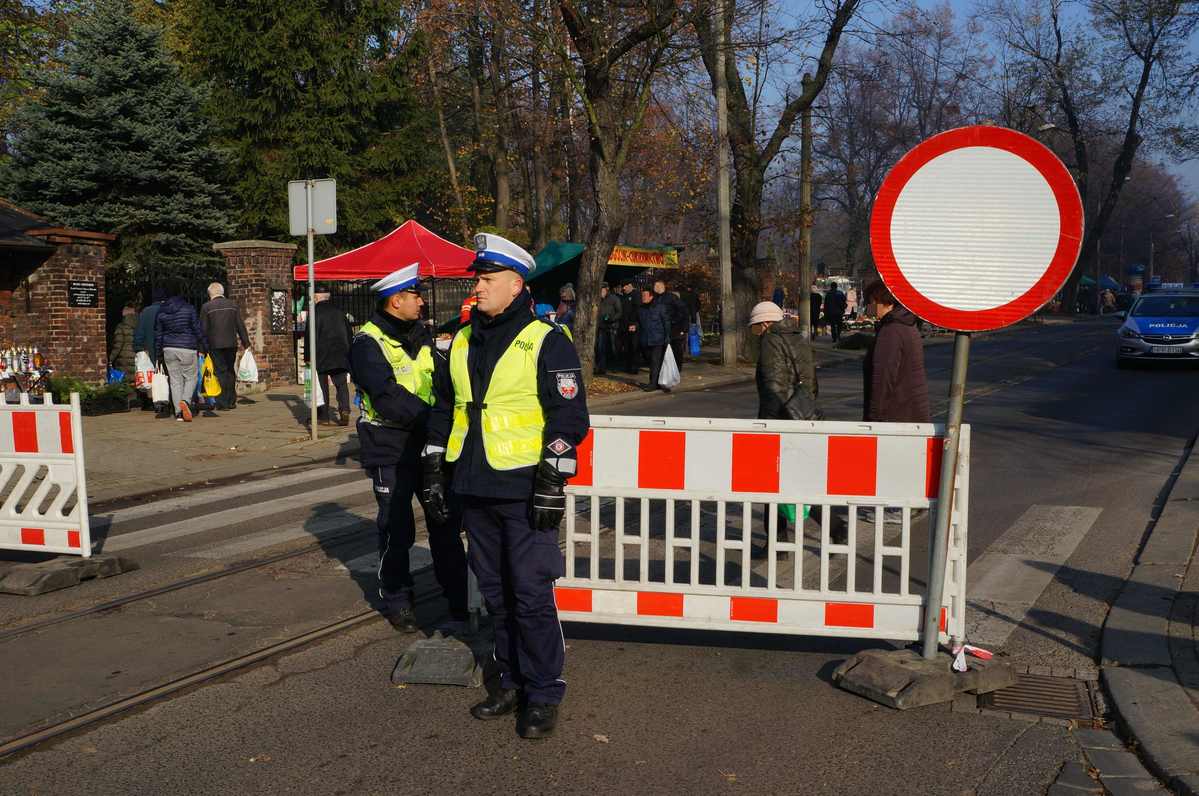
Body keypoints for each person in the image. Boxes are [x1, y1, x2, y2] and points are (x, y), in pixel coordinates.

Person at [423, 233, 589, 740]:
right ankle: (510, 681)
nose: (478, 285)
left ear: (516, 285)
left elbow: (569, 417)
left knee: (531, 595)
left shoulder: (546, 339)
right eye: (478, 277)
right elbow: (444, 408)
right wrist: (434, 465)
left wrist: (552, 480)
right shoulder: (461, 340)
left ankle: (543, 693)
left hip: (522, 489)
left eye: (488, 278)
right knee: (495, 594)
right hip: (474, 485)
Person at [349, 263, 468, 633]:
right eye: (415, 295)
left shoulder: (421, 336)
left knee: (443, 521)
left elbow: (442, 381)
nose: (421, 301)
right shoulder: (368, 343)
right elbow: (386, 397)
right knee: (397, 527)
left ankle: (459, 599)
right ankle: (398, 598)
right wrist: (433, 417)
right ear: (396, 301)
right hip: (390, 445)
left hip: (428, 443)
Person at [862, 280, 929, 423]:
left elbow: (884, 375)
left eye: (871, 303)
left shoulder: (891, 331)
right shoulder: (907, 325)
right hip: (911, 413)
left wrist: (875, 417)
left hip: (894, 417)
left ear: (882, 301)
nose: (870, 308)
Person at [749, 301, 819, 420]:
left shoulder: (771, 340)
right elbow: (813, 383)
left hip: (782, 414)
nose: (756, 333)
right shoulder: (800, 339)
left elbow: (773, 387)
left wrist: (768, 421)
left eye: (756, 328)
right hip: (803, 411)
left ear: (765, 323)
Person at [154, 288, 207, 422]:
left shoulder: (161, 311)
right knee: (191, 377)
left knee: (175, 381)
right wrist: (205, 345)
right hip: (187, 347)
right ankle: (186, 401)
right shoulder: (189, 308)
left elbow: (158, 335)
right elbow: (197, 329)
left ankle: (178, 413)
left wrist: (158, 353)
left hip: (168, 349)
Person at [199, 283, 251, 411]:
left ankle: (222, 402)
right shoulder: (232, 305)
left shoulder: (206, 307)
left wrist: (201, 348)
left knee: (220, 371)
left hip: (215, 344)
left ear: (210, 294)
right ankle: (231, 400)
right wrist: (246, 343)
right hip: (231, 343)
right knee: (230, 370)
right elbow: (240, 325)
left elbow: (203, 329)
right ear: (222, 292)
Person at [311, 290, 354, 426]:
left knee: (322, 385)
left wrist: (308, 356)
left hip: (321, 354)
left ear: (317, 297)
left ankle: (324, 416)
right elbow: (349, 333)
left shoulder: (315, 313)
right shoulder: (340, 312)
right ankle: (345, 409)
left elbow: (309, 336)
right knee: (341, 384)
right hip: (340, 354)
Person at [134, 288, 168, 416]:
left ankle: (155, 402)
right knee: (166, 374)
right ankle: (166, 401)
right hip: (165, 346)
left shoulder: (146, 312)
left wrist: (138, 347)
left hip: (149, 348)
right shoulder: (167, 309)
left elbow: (140, 332)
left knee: (152, 375)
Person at [638, 286, 670, 392]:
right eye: (642, 295)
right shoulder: (641, 308)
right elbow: (638, 322)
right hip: (645, 340)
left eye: (644, 295)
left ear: (651, 296)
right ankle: (658, 382)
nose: (642, 297)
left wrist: (667, 337)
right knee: (651, 362)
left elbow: (666, 322)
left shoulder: (659, 307)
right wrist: (634, 325)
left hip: (657, 339)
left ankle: (653, 384)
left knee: (655, 362)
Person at [653, 279, 688, 373]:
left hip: (674, 328)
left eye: (655, 286)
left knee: (676, 348)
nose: (654, 288)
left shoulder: (671, 297)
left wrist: (674, 321)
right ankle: (666, 368)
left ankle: (677, 368)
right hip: (661, 328)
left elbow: (682, 310)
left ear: (661, 286)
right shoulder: (655, 298)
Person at [596, 283, 622, 375]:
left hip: (612, 327)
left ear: (607, 290)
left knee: (613, 348)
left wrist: (611, 319)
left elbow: (619, 312)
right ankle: (602, 368)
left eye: (602, 290)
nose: (601, 293)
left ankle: (615, 366)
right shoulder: (598, 299)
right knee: (601, 348)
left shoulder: (614, 299)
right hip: (602, 327)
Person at [109, 305, 138, 380]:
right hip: (136, 357)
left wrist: (111, 359)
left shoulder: (121, 327)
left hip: (123, 359)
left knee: (125, 382)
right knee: (135, 381)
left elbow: (118, 345)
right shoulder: (139, 325)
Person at [619, 280, 641, 374]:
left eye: (625, 286)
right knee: (627, 347)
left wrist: (634, 323)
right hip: (624, 325)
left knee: (634, 347)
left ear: (630, 285)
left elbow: (637, 310)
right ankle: (628, 366)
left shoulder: (636, 295)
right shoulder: (624, 296)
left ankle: (634, 367)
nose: (623, 288)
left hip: (633, 325)